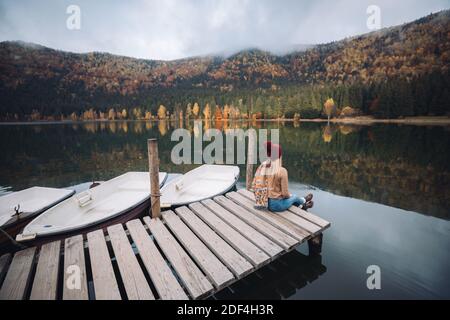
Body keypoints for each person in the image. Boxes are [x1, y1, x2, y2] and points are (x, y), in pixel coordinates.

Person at [252, 141, 313, 212]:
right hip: (275, 206)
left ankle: (302, 206)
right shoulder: (282, 171)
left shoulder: (262, 166)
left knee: (291, 197)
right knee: (294, 197)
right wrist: (288, 196)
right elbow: (285, 194)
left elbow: (254, 185)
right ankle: (303, 201)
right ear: (280, 156)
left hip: (263, 202)